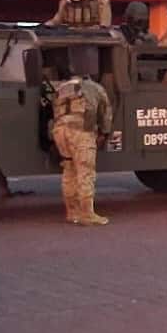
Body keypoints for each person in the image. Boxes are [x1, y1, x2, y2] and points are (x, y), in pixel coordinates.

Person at [49, 46, 113, 226]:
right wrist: (104, 134)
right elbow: (105, 114)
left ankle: (72, 212)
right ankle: (87, 214)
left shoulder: (62, 88)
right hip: (81, 132)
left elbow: (54, 111)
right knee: (85, 172)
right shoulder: (95, 87)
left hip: (60, 132)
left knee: (69, 170)